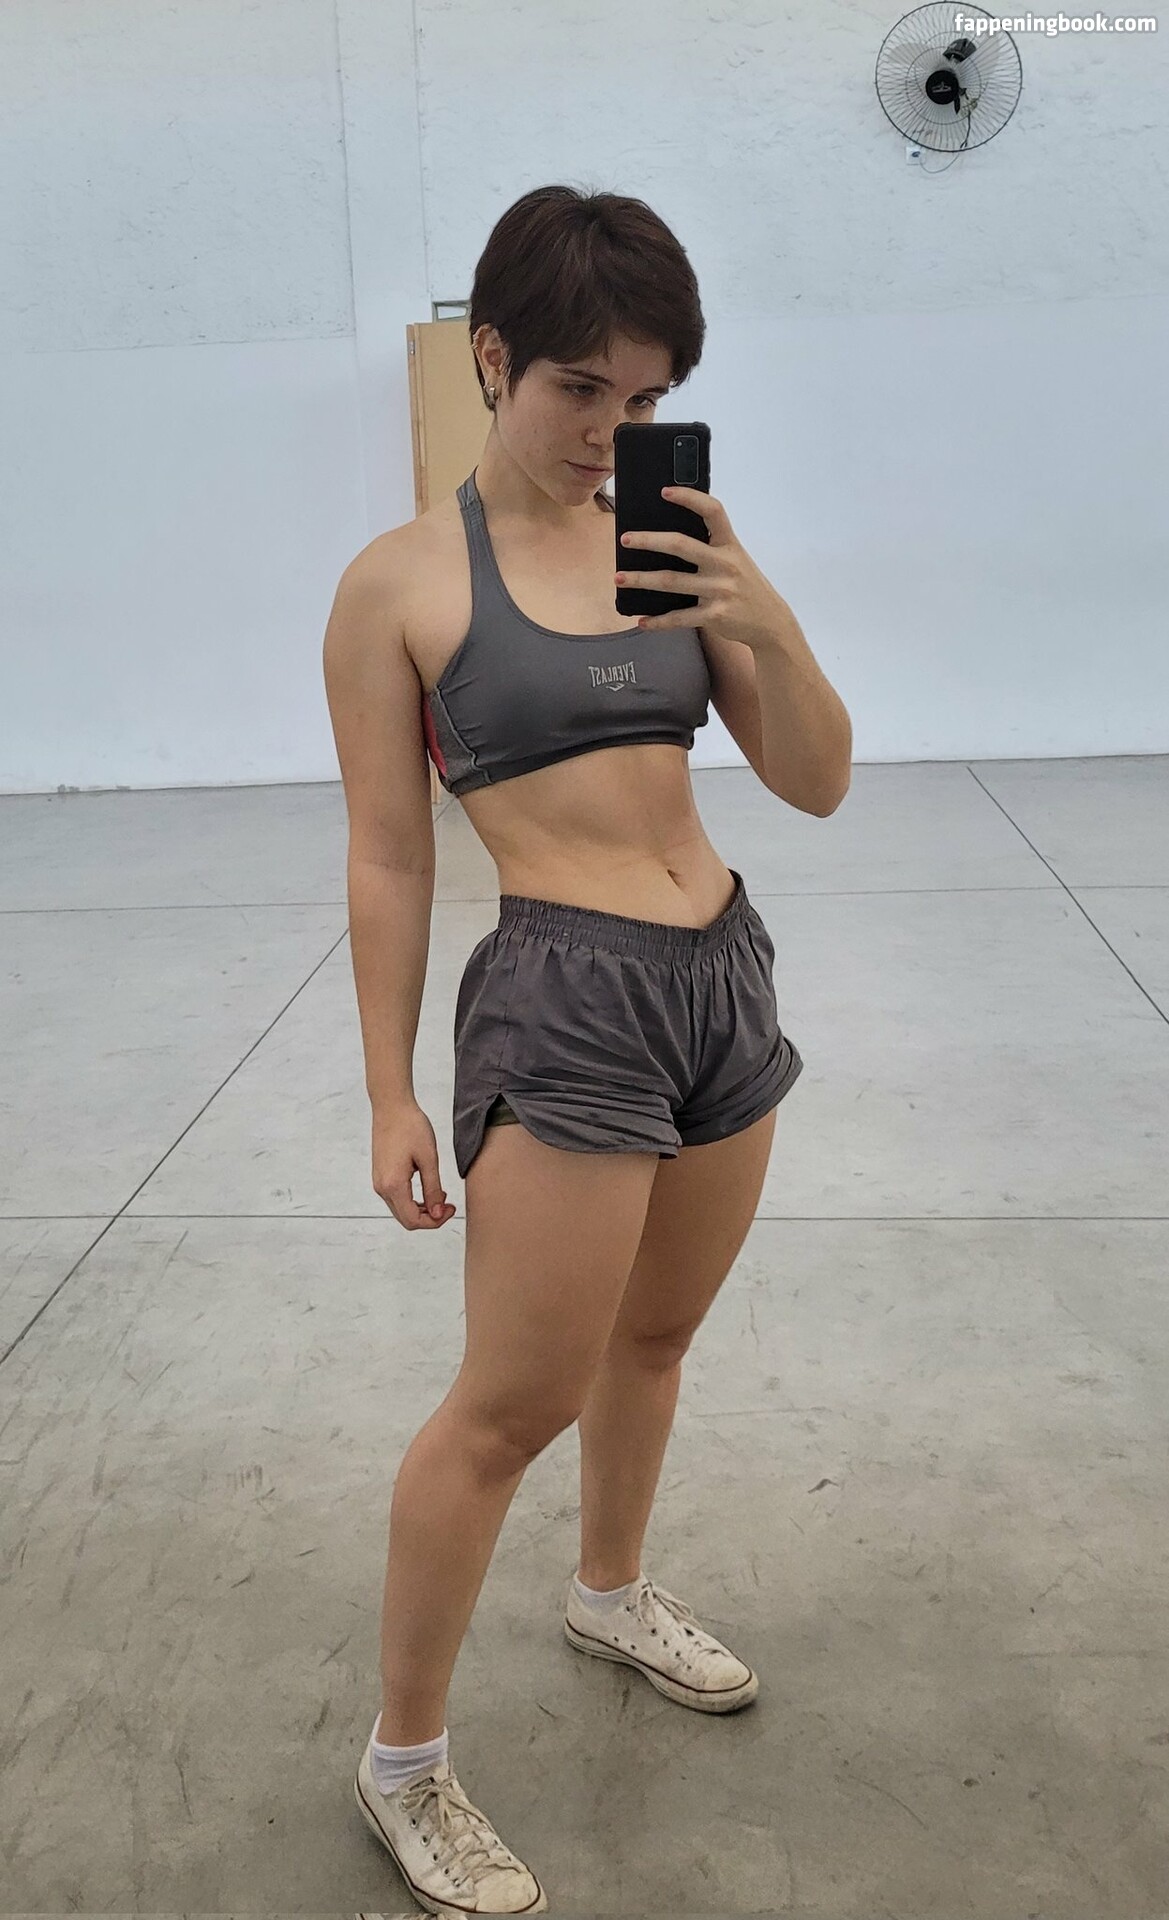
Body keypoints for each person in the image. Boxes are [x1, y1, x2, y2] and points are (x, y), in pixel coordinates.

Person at [323, 184, 851, 1917]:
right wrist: (390, 1090)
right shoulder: (401, 586)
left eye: (644, 397)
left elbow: (816, 778)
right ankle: (403, 1763)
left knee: (658, 1335)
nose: (607, 431)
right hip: (563, 996)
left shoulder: (676, 539)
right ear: (490, 358)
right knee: (508, 1407)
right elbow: (390, 856)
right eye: (576, 389)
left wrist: (757, 612)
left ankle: (608, 1592)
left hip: (720, 975)